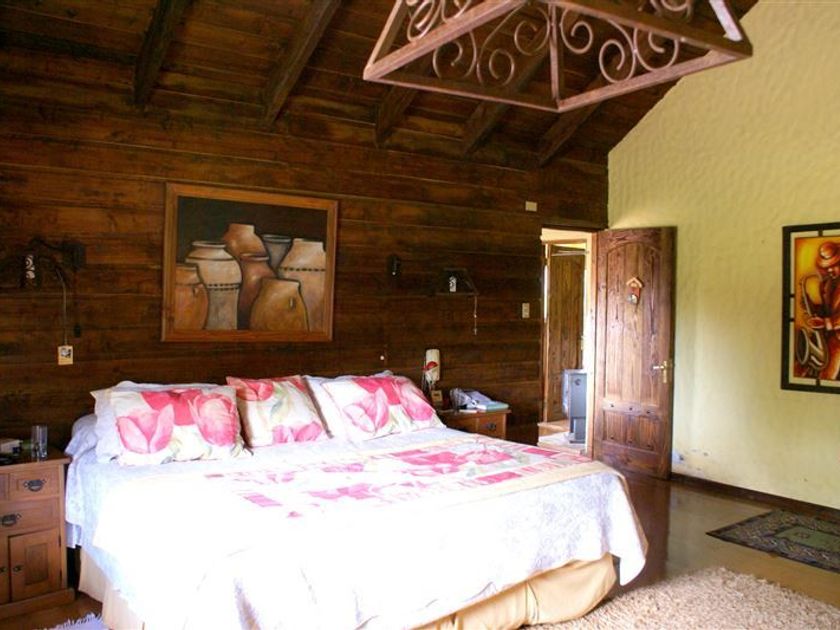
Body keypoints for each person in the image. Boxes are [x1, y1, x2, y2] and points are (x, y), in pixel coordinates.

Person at [806, 241, 840, 380]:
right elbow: (828, 310)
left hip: (837, 342)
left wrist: (826, 323)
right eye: (827, 267)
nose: (829, 270)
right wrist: (812, 306)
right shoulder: (826, 284)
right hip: (829, 338)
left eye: (834, 266)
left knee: (827, 377)